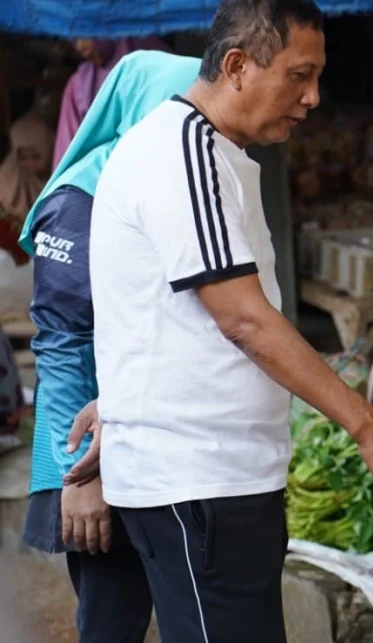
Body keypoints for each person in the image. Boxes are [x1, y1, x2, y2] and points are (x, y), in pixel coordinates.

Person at [84, 0, 373, 642]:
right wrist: (367, 425)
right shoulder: (184, 150)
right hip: (198, 479)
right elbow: (243, 317)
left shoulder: (216, 154)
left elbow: (161, 312)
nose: (312, 99)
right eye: (299, 77)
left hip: (218, 477)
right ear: (238, 65)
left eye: (317, 78)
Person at [16, 50, 199, 643]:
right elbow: (64, 347)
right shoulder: (78, 204)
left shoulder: (154, 183)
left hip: (147, 431)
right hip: (88, 449)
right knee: (112, 614)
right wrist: (80, 479)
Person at [53, 36, 170, 167]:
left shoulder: (159, 70)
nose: (80, 47)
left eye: (86, 36)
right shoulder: (79, 85)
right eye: (74, 39)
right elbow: (67, 150)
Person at [0, 110, 54, 225]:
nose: (30, 163)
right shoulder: (6, 181)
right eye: (23, 157)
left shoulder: (65, 176)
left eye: (36, 156)